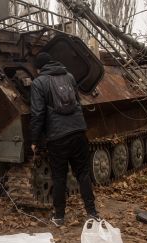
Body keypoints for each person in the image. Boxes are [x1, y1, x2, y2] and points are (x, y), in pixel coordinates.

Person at [30, 52, 99, 227]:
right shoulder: (69, 76)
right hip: (78, 131)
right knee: (83, 173)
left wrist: (34, 139)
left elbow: (38, 114)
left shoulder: (39, 82)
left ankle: (59, 217)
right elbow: (76, 101)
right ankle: (92, 213)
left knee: (59, 177)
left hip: (57, 136)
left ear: (39, 68)